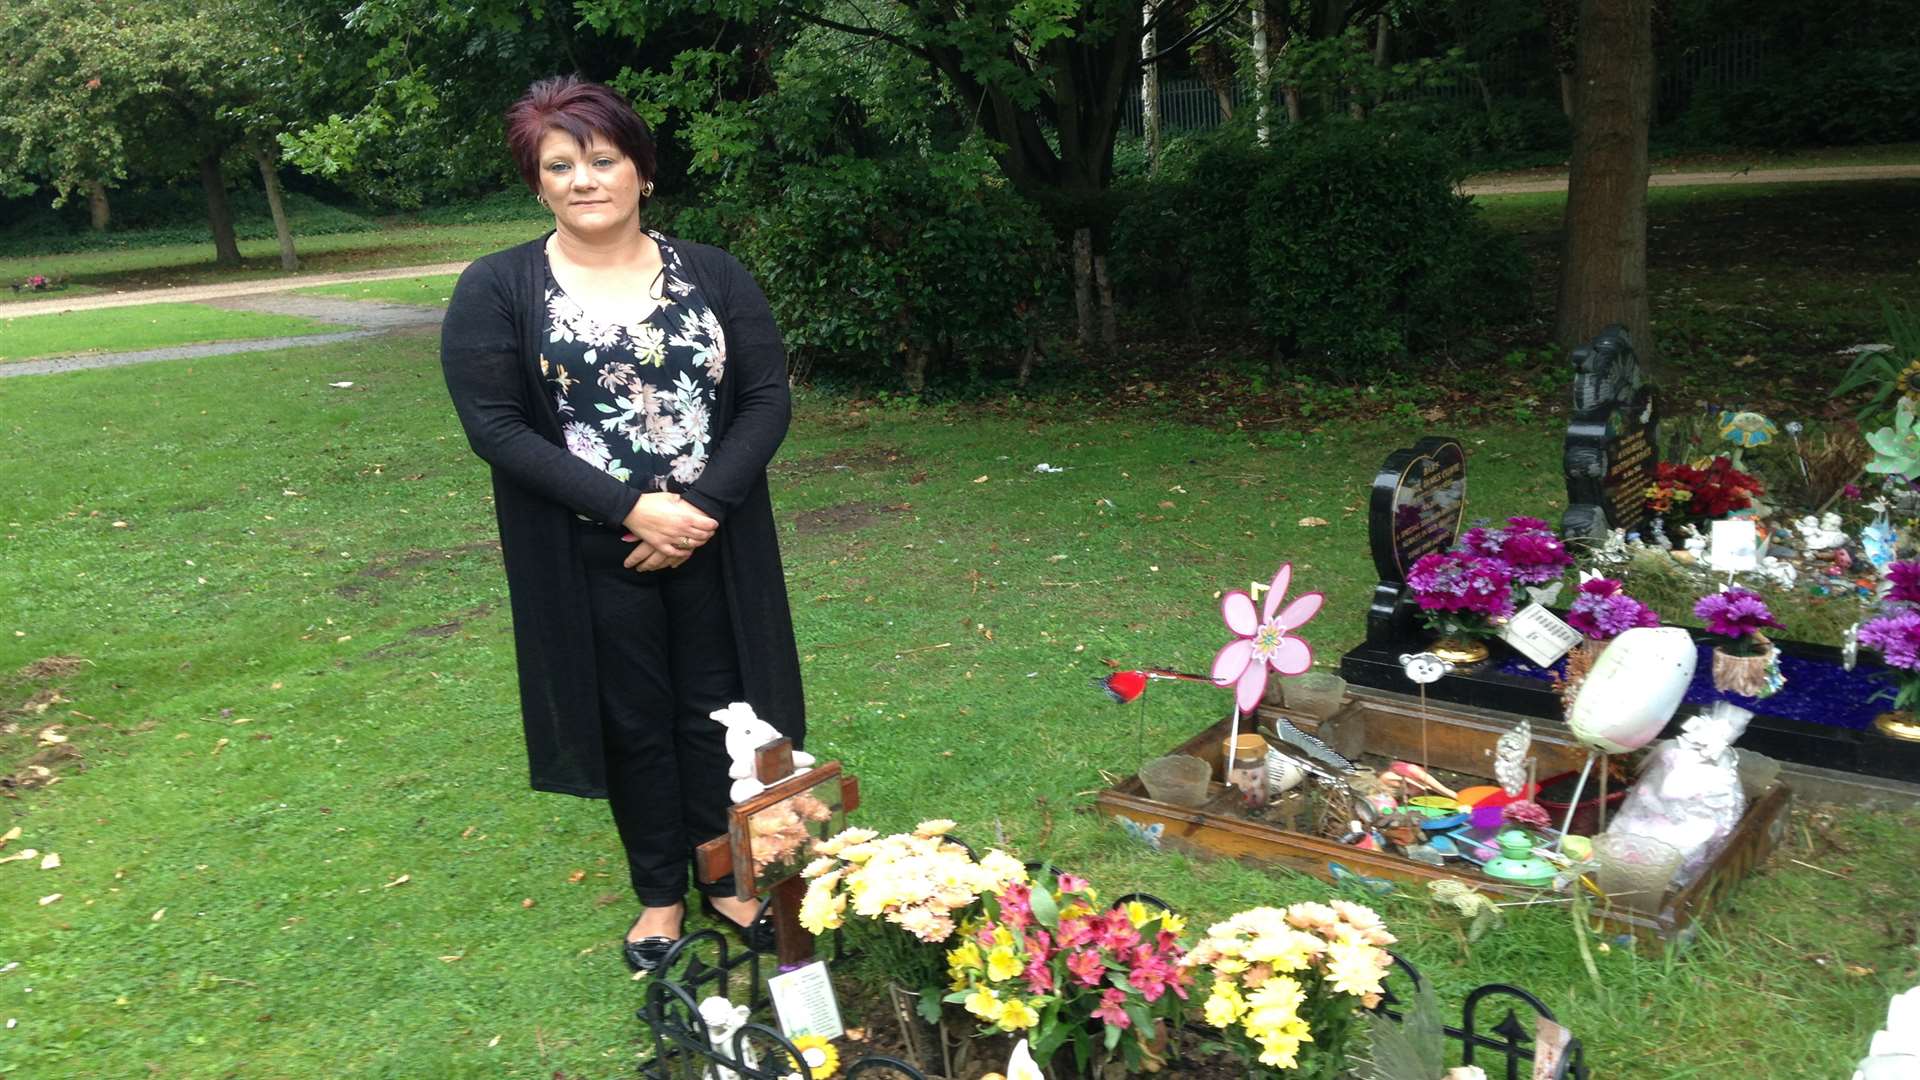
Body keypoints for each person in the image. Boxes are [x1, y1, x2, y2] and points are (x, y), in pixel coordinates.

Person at [439, 75, 804, 973]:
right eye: (558, 165)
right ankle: (659, 897)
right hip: (588, 551)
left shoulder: (714, 273)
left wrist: (702, 508)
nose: (583, 179)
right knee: (632, 721)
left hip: (714, 543)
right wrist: (631, 507)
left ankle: (728, 877)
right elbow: (495, 426)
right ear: (537, 183)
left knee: (726, 716)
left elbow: (763, 399)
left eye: (601, 159)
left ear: (640, 169)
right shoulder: (498, 288)